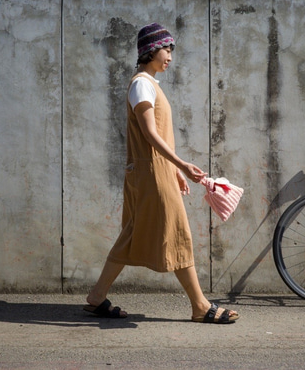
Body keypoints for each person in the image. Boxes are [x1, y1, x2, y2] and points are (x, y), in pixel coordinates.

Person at [83, 23, 240, 324]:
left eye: (171, 50)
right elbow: (150, 134)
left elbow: (156, 138)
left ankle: (96, 296)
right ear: (150, 51)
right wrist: (181, 164)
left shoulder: (150, 84)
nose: (170, 55)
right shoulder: (142, 84)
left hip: (153, 171)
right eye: (166, 49)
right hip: (151, 173)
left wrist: (174, 170)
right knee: (178, 233)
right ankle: (200, 305)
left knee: (132, 233)